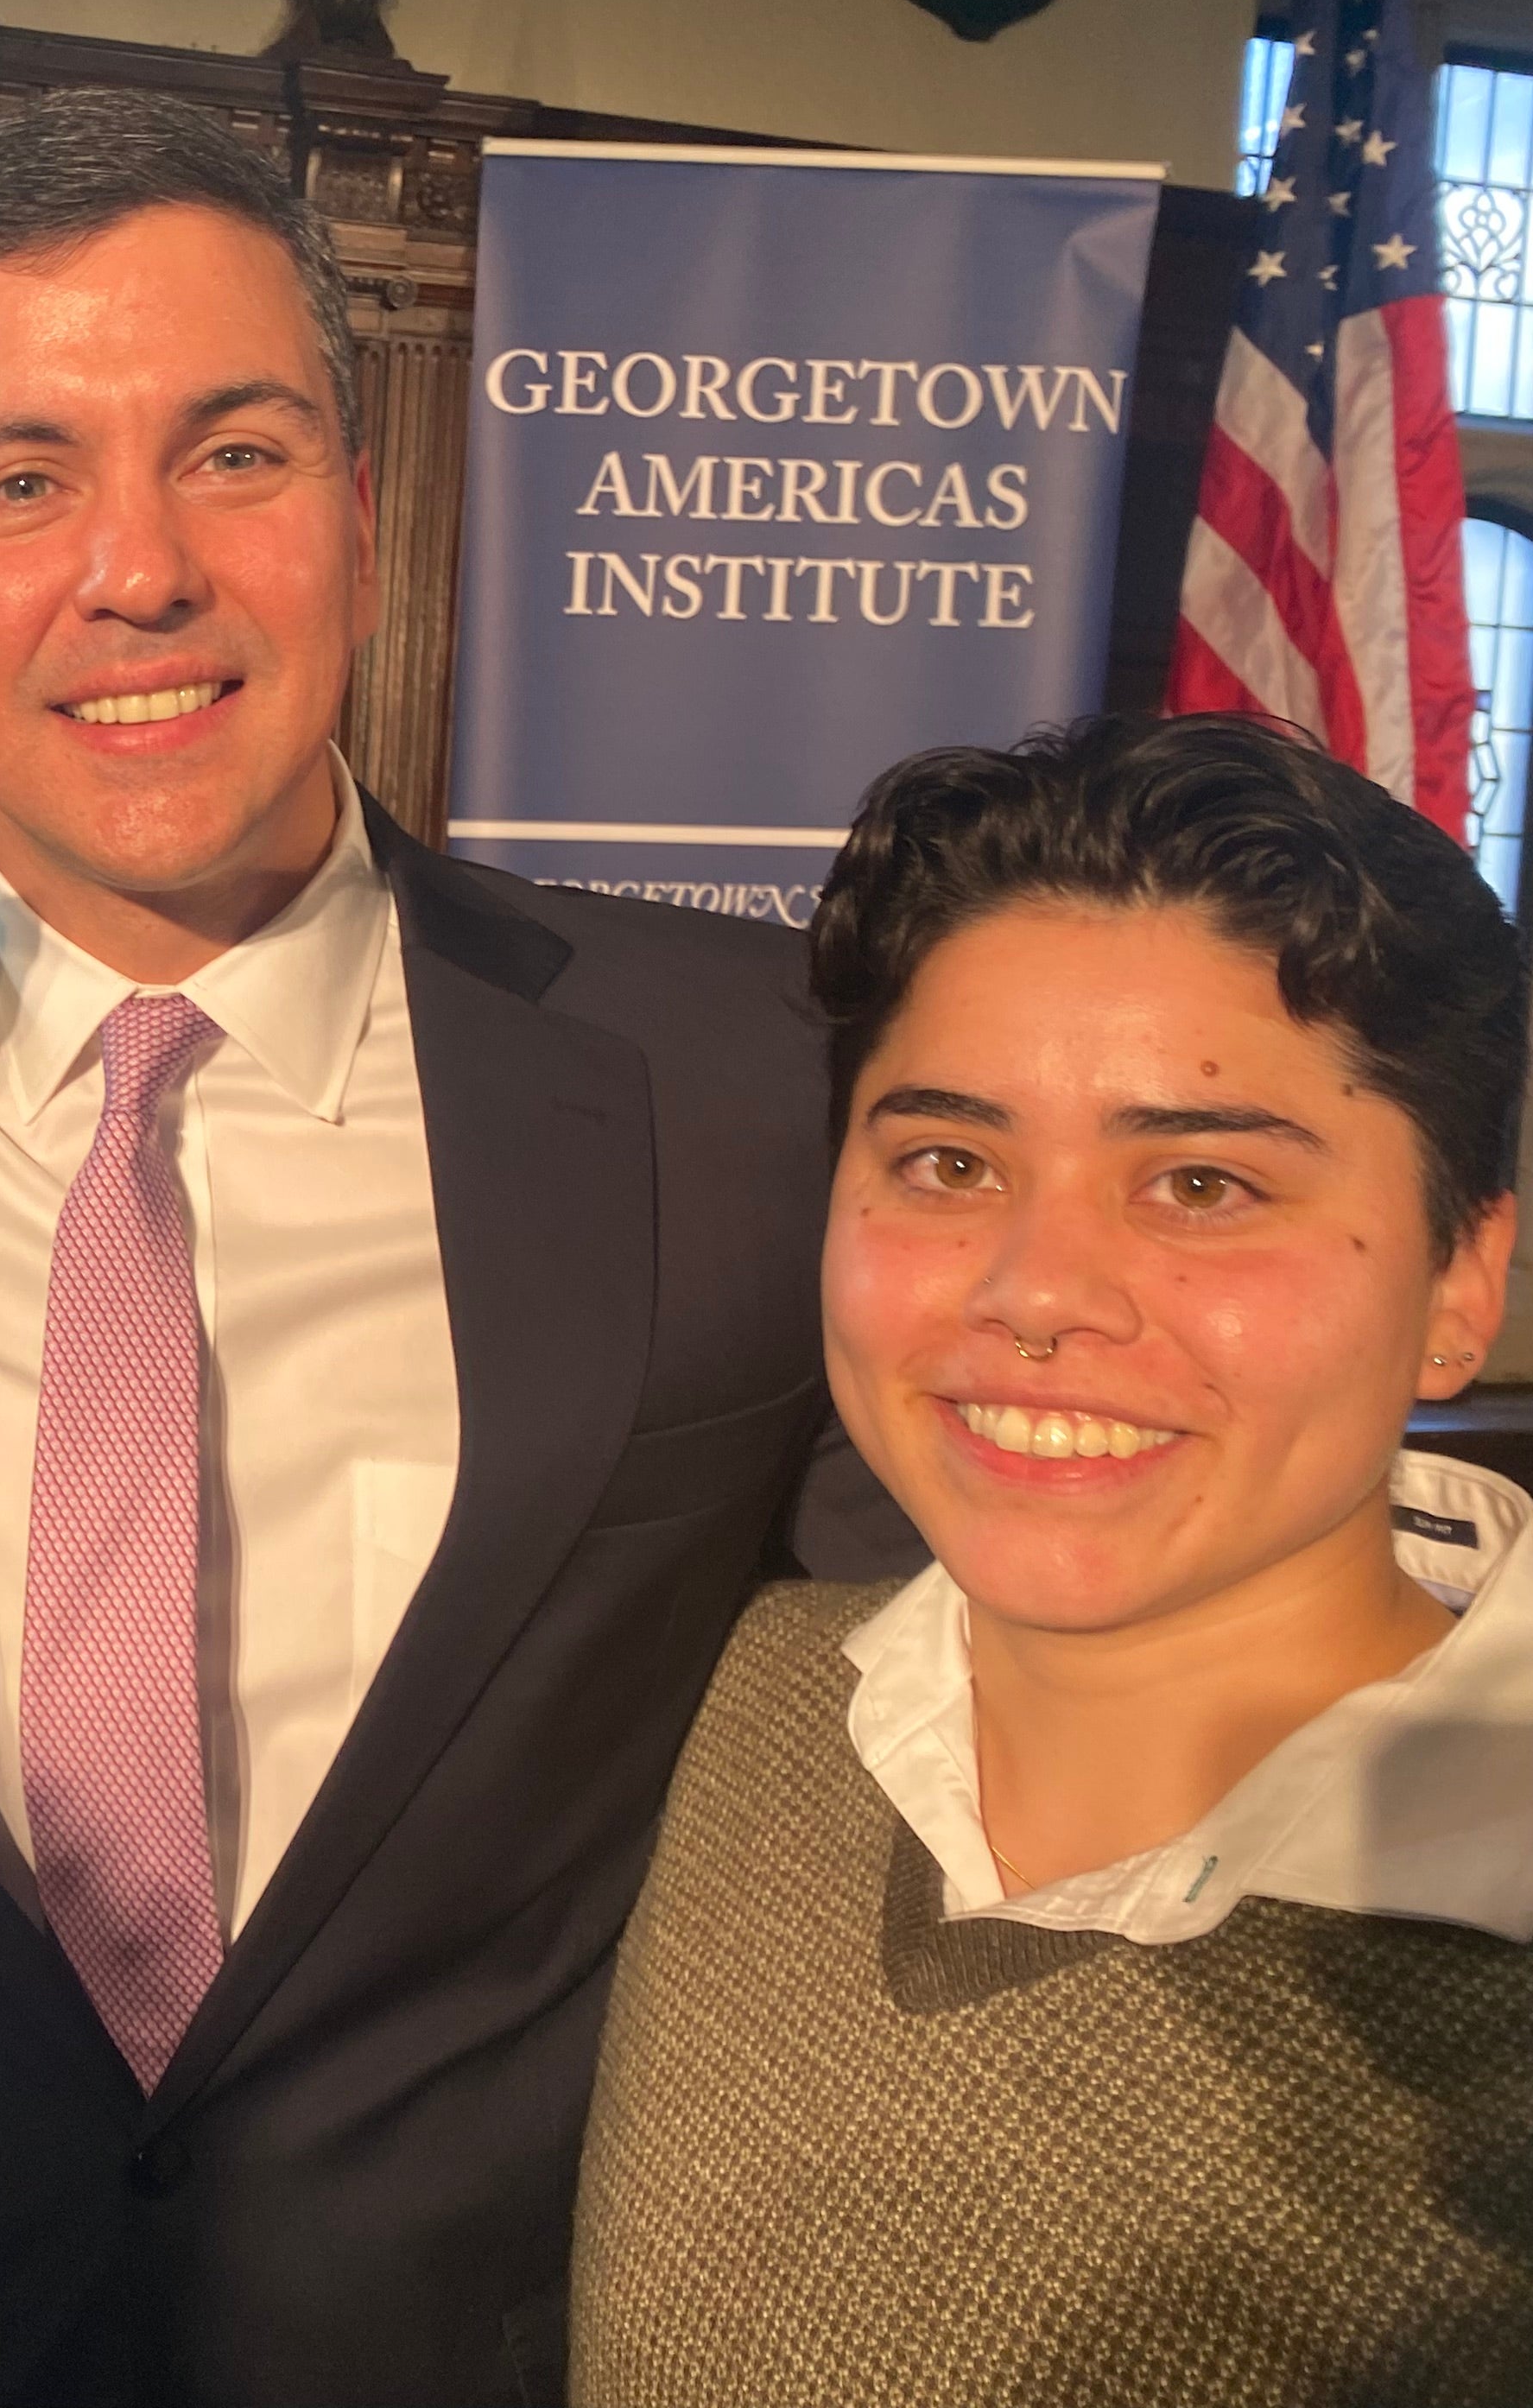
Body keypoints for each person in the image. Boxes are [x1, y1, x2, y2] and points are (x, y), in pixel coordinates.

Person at [0, 88, 920, 2405]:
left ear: (363, 517)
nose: (142, 572)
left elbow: (949, 1743)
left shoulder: (753, 1080)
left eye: (235, 454)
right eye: (22, 481)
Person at [573, 713, 1533, 2407]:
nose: (1034, 1288)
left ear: (1463, 1279)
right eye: (950, 1163)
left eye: (1203, 1184)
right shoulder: (757, 1703)